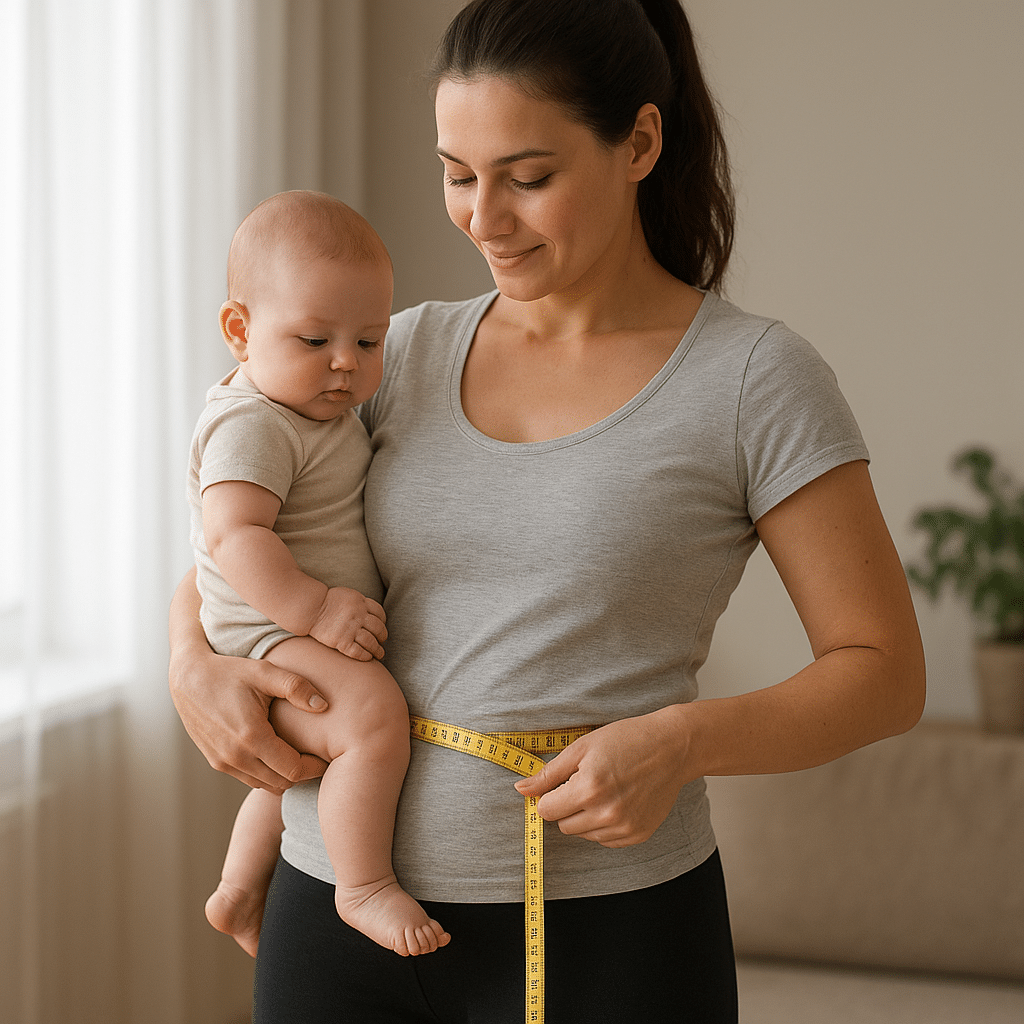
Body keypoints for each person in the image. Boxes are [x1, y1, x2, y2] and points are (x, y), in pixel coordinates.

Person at [169, 2, 926, 1021]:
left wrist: (680, 741)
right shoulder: (392, 353)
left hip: (607, 927)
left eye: (528, 178)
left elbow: (882, 672)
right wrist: (192, 667)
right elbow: (239, 534)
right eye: (456, 173)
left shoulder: (752, 380)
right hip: (333, 911)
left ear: (639, 144)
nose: (484, 216)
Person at [187, 190, 449, 958]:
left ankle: (239, 889)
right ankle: (362, 886)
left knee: (303, 764)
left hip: (282, 626)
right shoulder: (252, 423)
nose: (345, 364)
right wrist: (317, 610)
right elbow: (232, 535)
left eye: (369, 342)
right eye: (313, 339)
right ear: (240, 330)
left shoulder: (312, 409)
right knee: (370, 716)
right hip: (270, 626)